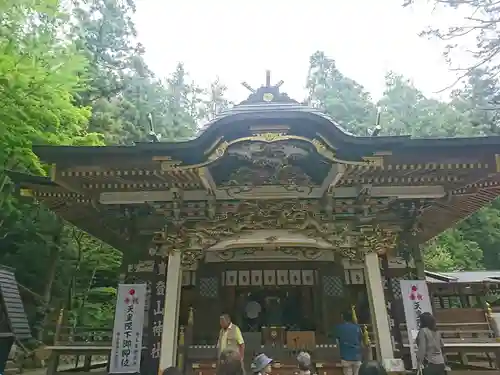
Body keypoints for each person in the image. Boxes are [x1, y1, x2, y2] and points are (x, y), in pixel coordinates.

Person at [333, 311, 363, 375]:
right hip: (357, 357)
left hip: (346, 357)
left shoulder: (339, 328)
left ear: (342, 318)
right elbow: (361, 341)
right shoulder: (357, 327)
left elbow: (337, 342)